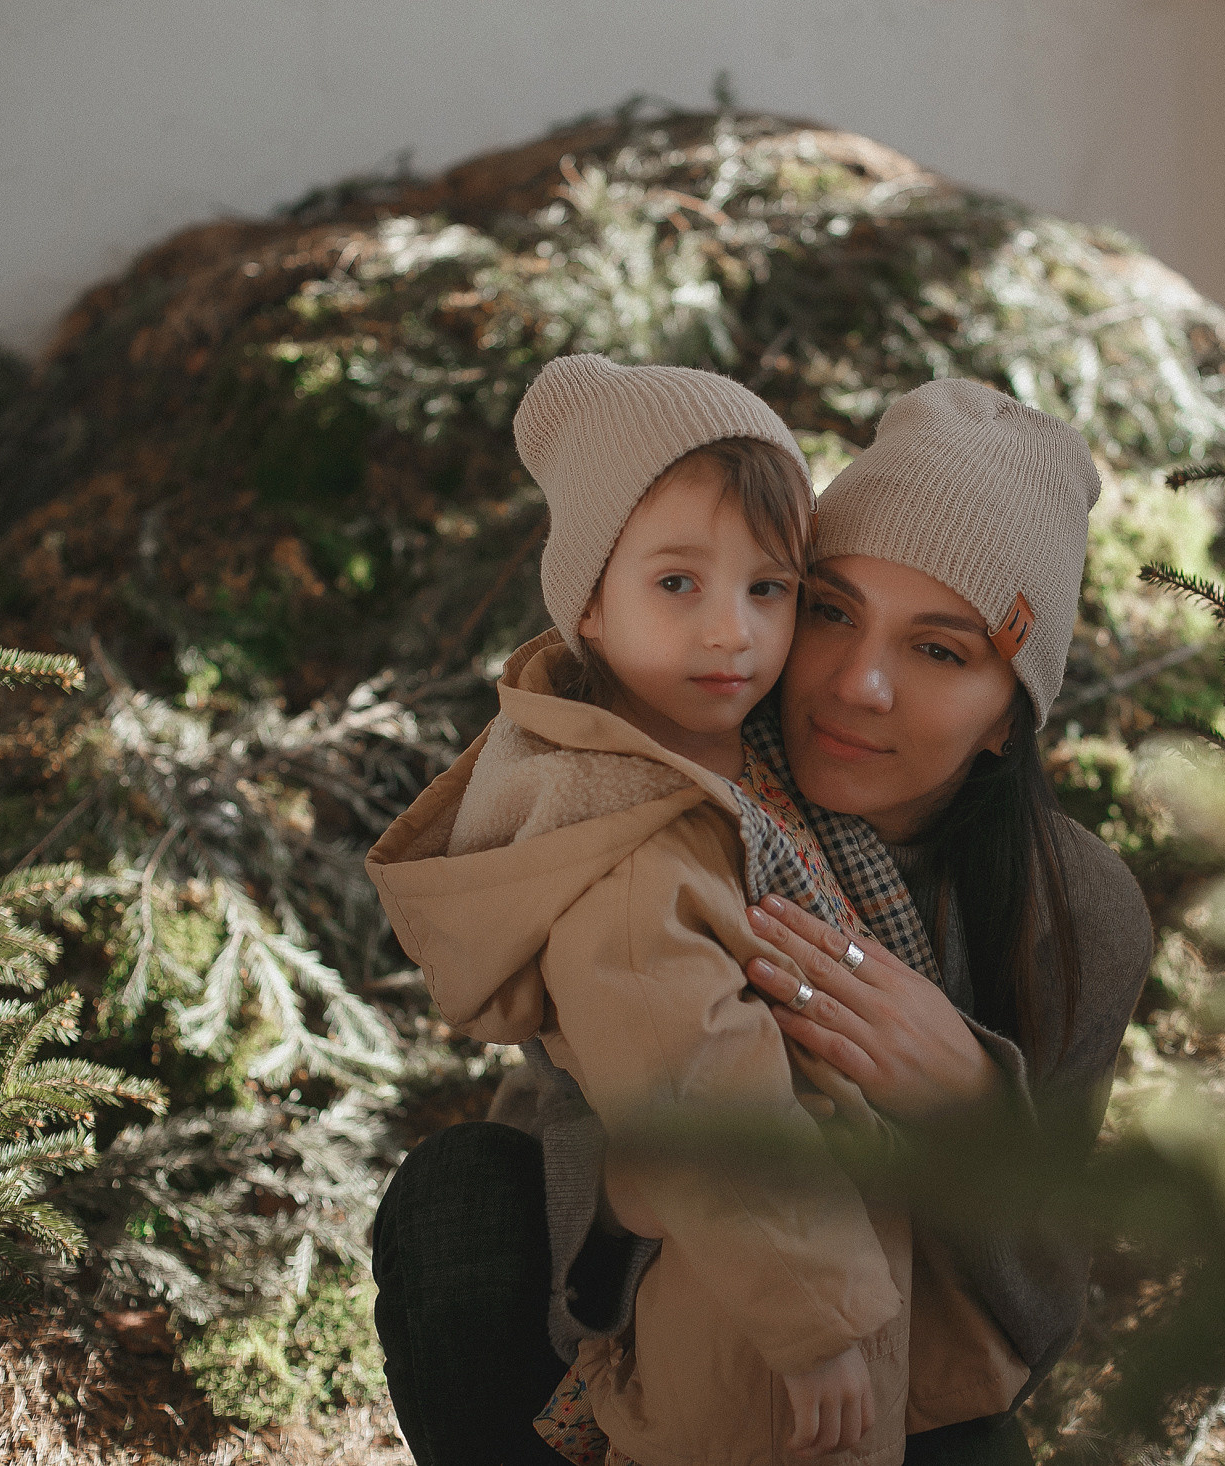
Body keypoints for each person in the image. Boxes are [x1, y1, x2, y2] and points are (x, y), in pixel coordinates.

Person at [370, 376, 1155, 1466]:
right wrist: (629, 1197)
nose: (857, 682)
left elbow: (1045, 1303)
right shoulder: (680, 791)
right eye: (830, 609)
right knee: (450, 1200)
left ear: (1004, 720)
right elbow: (572, 1132)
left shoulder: (1073, 911)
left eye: (938, 649)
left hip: (908, 1375)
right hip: (659, 1330)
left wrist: (967, 1107)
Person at [368, 355, 911, 1466]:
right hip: (749, 1337)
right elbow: (698, 1089)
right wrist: (814, 1324)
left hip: (791, 1290)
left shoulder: (740, 778)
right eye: (678, 584)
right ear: (591, 610)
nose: (732, 632)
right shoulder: (627, 840)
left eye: (767, 588)